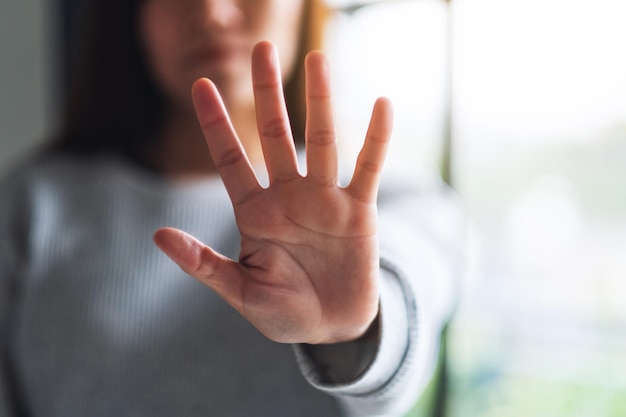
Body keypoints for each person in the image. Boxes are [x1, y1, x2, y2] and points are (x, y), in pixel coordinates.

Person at [0, 0, 466, 416]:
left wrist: (353, 334)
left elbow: (407, 311)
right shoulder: (29, 209)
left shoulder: (399, 204)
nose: (212, 12)